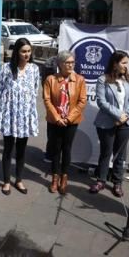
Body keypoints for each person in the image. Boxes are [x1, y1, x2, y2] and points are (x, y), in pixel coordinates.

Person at [0, 38, 40, 195]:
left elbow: (34, 90)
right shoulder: (7, 68)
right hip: (10, 115)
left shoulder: (34, 69)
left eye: (28, 51)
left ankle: (18, 180)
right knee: (8, 148)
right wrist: (8, 105)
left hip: (25, 115)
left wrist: (26, 106)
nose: (26, 54)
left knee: (21, 149)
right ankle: (6, 181)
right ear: (17, 52)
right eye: (23, 51)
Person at [89, 51, 129, 197]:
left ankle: (117, 182)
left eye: (126, 63)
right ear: (115, 63)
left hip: (125, 123)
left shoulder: (128, 80)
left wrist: (125, 116)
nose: (125, 66)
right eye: (123, 63)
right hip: (106, 122)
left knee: (120, 154)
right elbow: (101, 102)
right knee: (106, 152)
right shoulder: (103, 80)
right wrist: (117, 114)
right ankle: (101, 180)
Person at [43, 50, 87, 194]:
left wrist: (69, 118)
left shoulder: (80, 80)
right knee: (56, 149)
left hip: (71, 122)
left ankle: (64, 178)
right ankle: (55, 178)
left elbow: (82, 101)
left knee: (67, 149)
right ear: (60, 64)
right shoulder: (51, 79)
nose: (70, 65)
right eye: (67, 62)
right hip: (55, 121)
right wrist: (57, 118)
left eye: (72, 62)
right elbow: (47, 100)